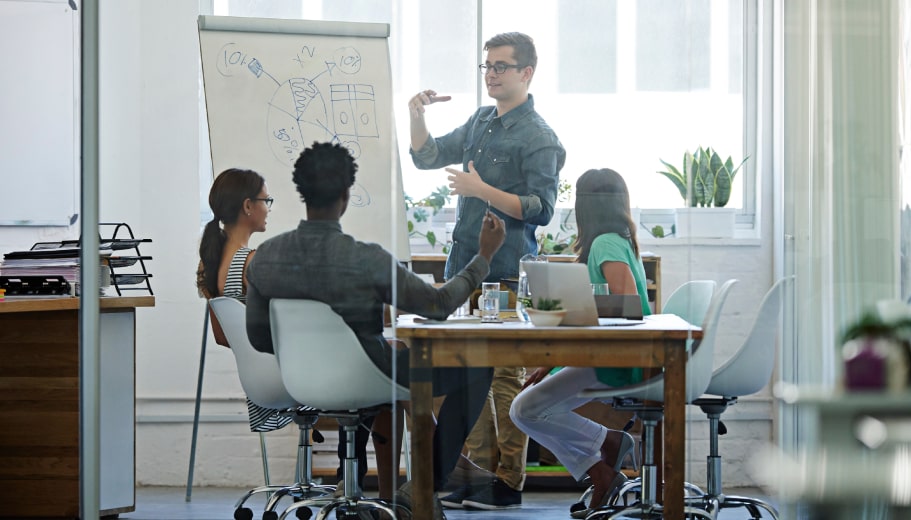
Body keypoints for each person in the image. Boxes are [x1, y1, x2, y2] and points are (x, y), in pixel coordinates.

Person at [245, 141, 506, 513]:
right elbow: (438, 305)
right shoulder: (367, 259)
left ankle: (357, 486)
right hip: (372, 376)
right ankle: (425, 484)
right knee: (478, 364)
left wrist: (312, 358)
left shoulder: (265, 258)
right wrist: (484, 256)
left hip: (301, 383)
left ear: (302, 193)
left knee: (385, 368)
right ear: (346, 195)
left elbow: (259, 338)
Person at [408, 31, 565, 510]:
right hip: (465, 270)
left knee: (502, 379)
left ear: (526, 73)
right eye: (487, 66)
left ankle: (509, 483)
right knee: (467, 378)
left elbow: (541, 209)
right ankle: (475, 476)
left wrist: (481, 190)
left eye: (501, 66)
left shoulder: (540, 137)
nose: (491, 75)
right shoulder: (480, 121)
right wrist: (416, 115)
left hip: (506, 273)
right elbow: (428, 156)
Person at [508, 168, 651, 516]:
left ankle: (605, 456)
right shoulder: (617, 241)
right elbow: (599, 310)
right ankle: (605, 458)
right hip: (608, 355)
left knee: (525, 410)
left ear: (584, 206)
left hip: (615, 361)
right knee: (527, 408)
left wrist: (560, 348)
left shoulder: (605, 244)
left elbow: (626, 305)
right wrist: (552, 361)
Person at [196, 168, 289, 432]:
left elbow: (223, 337)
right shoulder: (252, 262)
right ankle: (353, 454)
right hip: (287, 378)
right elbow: (288, 327)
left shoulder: (208, 264)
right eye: (266, 201)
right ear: (248, 206)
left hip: (256, 383)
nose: (268, 209)